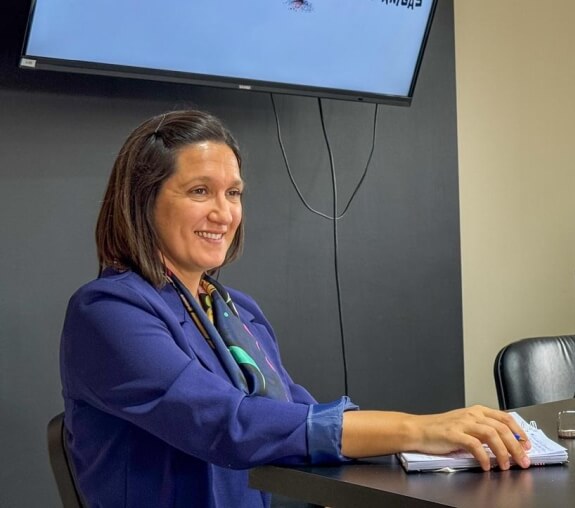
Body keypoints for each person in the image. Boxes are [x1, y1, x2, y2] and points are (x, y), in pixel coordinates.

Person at [60, 110, 531, 507]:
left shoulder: (237, 310)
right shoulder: (107, 312)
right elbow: (230, 424)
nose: (224, 213)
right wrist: (418, 429)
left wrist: (445, 446)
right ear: (143, 202)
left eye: (234, 193)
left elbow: (298, 418)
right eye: (200, 191)